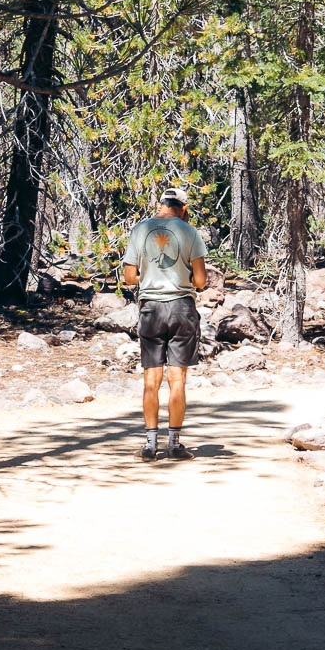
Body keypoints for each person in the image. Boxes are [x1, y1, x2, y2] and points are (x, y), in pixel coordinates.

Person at [123, 186, 208, 461]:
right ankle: (174, 444)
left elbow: (129, 277)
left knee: (151, 379)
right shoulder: (189, 232)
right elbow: (201, 281)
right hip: (182, 308)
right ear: (183, 208)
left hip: (151, 310)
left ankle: (150, 445)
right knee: (177, 380)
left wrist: (151, 277)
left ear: (160, 204)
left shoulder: (139, 230)